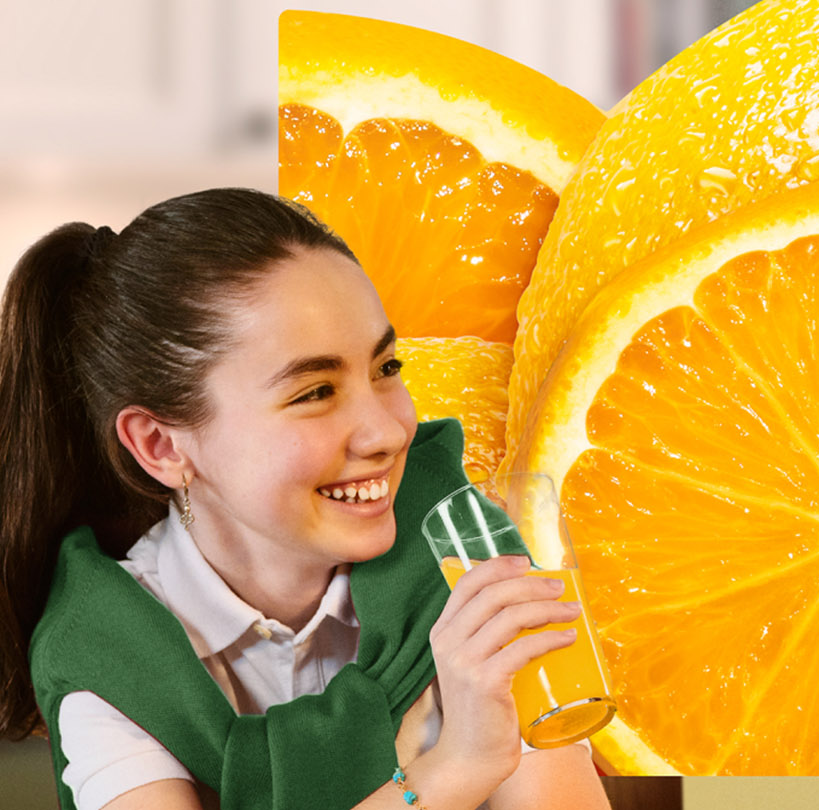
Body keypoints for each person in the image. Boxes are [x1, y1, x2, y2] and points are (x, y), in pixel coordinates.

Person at [0, 188, 611, 810]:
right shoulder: (106, 651)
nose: (388, 432)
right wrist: (462, 766)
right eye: (315, 391)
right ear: (161, 445)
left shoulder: (460, 548)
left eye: (386, 369)